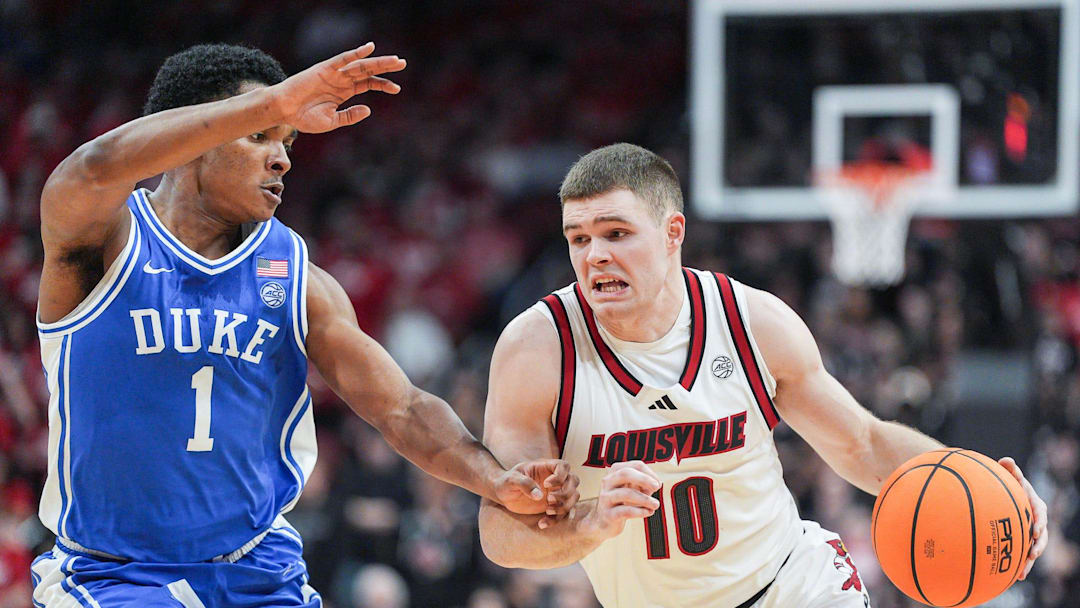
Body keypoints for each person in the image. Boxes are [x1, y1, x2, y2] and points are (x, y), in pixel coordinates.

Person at [30, 42, 575, 607]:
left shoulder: (295, 275)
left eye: (287, 142)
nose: (282, 159)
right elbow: (91, 168)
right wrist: (275, 102)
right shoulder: (104, 242)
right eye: (260, 135)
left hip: (256, 568)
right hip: (117, 574)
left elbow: (402, 408)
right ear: (193, 135)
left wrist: (493, 479)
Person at [477, 143, 1048, 607]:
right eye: (579, 239)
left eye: (616, 233)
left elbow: (864, 443)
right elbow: (500, 536)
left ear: (673, 232)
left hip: (792, 588)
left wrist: (984, 485)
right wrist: (589, 524)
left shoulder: (749, 320)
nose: (594, 254)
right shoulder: (538, 349)